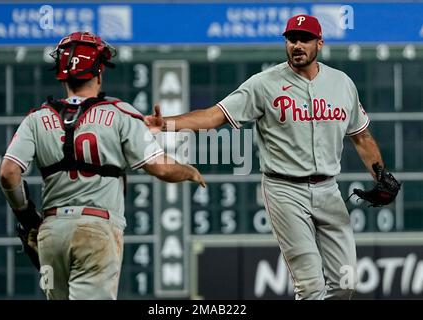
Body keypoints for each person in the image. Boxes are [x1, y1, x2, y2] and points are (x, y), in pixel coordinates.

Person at [145, 15, 400, 300]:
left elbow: (361, 137)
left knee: (345, 282)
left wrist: (381, 176)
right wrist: (166, 123)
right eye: (292, 39)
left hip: (329, 189)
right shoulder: (264, 84)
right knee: (311, 287)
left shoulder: (342, 84)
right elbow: (214, 116)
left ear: (320, 43)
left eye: (305, 39)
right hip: (284, 190)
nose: (297, 45)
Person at [0, 31, 206, 300]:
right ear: (99, 72)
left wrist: (26, 215)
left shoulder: (37, 119)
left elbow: (8, 172)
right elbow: (161, 168)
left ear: (62, 74)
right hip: (95, 229)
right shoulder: (119, 112)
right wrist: (189, 171)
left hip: (50, 232)